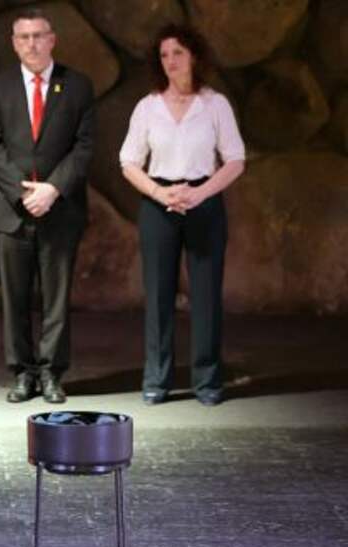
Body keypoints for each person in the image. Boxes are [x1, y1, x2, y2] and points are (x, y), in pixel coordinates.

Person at [119, 23, 245, 406]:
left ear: (194, 56)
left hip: (203, 201)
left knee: (206, 295)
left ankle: (207, 380)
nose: (170, 61)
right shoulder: (148, 107)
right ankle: (157, 379)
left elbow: (235, 159)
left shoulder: (215, 104)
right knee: (159, 294)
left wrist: (199, 194)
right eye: (164, 55)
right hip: (159, 204)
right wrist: (161, 193)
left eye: (177, 53)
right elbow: (128, 162)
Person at [0, 8, 94, 404]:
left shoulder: (77, 86)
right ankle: (22, 374)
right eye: (24, 37)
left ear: (52, 40)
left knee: (56, 300)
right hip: (11, 210)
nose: (31, 43)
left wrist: (53, 189)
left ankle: (51, 374)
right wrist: (22, 191)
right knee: (14, 300)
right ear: (14, 44)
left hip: (60, 209)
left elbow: (84, 147)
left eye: (38, 35)